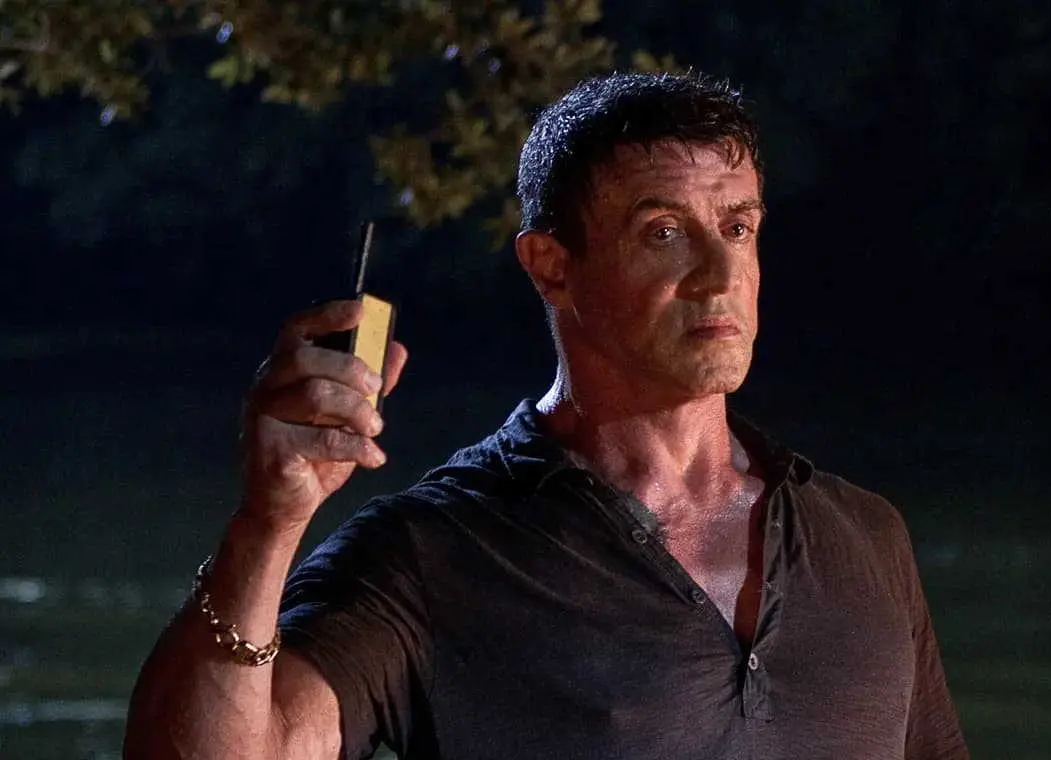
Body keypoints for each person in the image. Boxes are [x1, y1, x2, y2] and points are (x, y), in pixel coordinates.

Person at [124, 71, 970, 760]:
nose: (722, 274)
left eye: (738, 226)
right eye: (664, 232)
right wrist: (268, 525)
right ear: (551, 266)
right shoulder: (433, 555)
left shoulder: (865, 536)